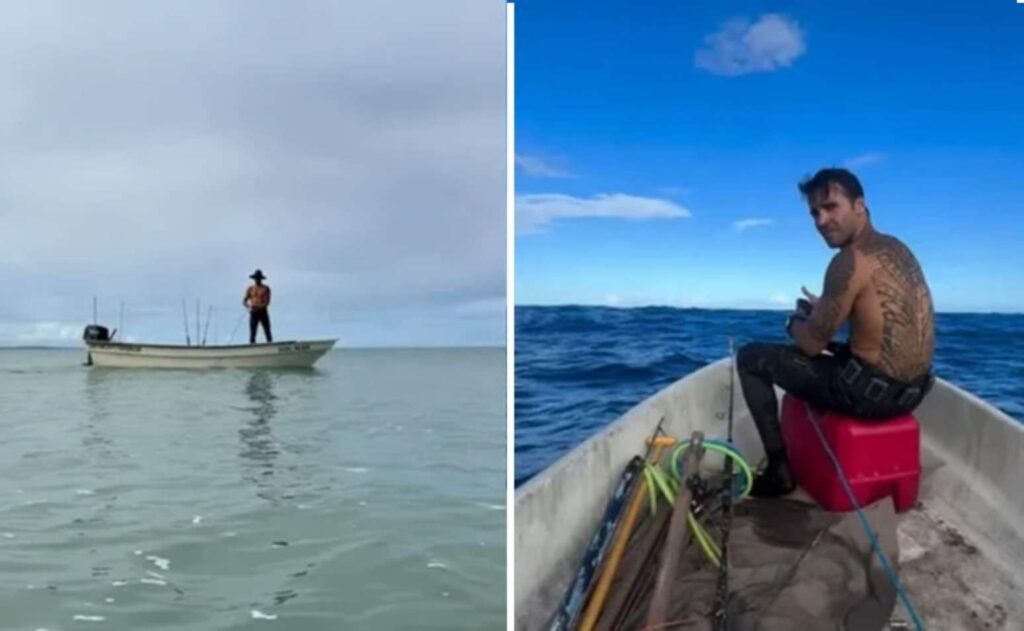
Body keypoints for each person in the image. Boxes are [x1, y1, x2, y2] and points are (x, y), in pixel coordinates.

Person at [737, 168, 935, 498]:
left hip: (868, 398)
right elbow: (882, 318)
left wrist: (794, 322)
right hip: (914, 393)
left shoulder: (848, 260)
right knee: (839, 349)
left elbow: (811, 345)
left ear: (859, 205)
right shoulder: (898, 249)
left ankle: (779, 472)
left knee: (750, 357)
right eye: (815, 213)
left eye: (831, 207)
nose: (821, 221)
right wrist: (827, 310)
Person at [243, 269, 273, 344]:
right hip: (253, 312)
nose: (257, 280)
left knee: (267, 330)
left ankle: (270, 344)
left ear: (261, 279)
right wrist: (249, 307)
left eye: (258, 278)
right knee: (253, 331)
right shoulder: (250, 289)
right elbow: (245, 301)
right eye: (256, 278)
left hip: (263, 311)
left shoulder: (265, 288)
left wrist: (260, 306)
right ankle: (252, 345)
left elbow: (267, 301)